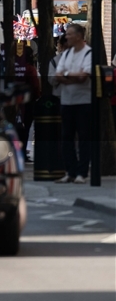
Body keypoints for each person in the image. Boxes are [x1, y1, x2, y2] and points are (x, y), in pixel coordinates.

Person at [53, 23, 92, 183]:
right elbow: (57, 75)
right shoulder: (67, 54)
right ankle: (70, 171)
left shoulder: (88, 53)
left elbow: (84, 77)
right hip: (67, 101)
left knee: (84, 138)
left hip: (83, 102)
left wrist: (66, 76)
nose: (66, 37)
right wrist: (72, 77)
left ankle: (82, 173)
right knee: (66, 137)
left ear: (78, 36)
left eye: (69, 34)